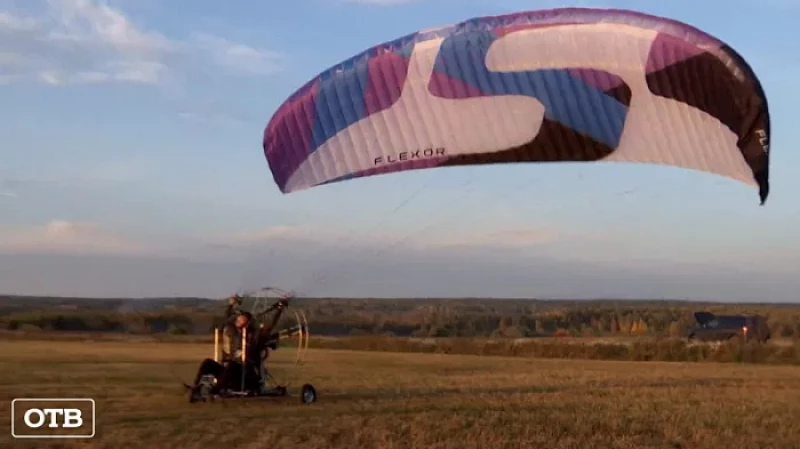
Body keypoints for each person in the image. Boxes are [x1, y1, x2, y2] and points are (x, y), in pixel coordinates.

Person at [186, 295, 287, 402]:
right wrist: (231, 305)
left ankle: (215, 391)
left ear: (248, 323)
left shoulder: (255, 336)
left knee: (232, 365)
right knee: (208, 363)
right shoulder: (234, 333)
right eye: (238, 318)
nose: (238, 320)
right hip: (230, 372)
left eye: (242, 319)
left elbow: (271, 324)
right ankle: (195, 388)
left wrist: (279, 309)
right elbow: (226, 319)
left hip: (246, 376)